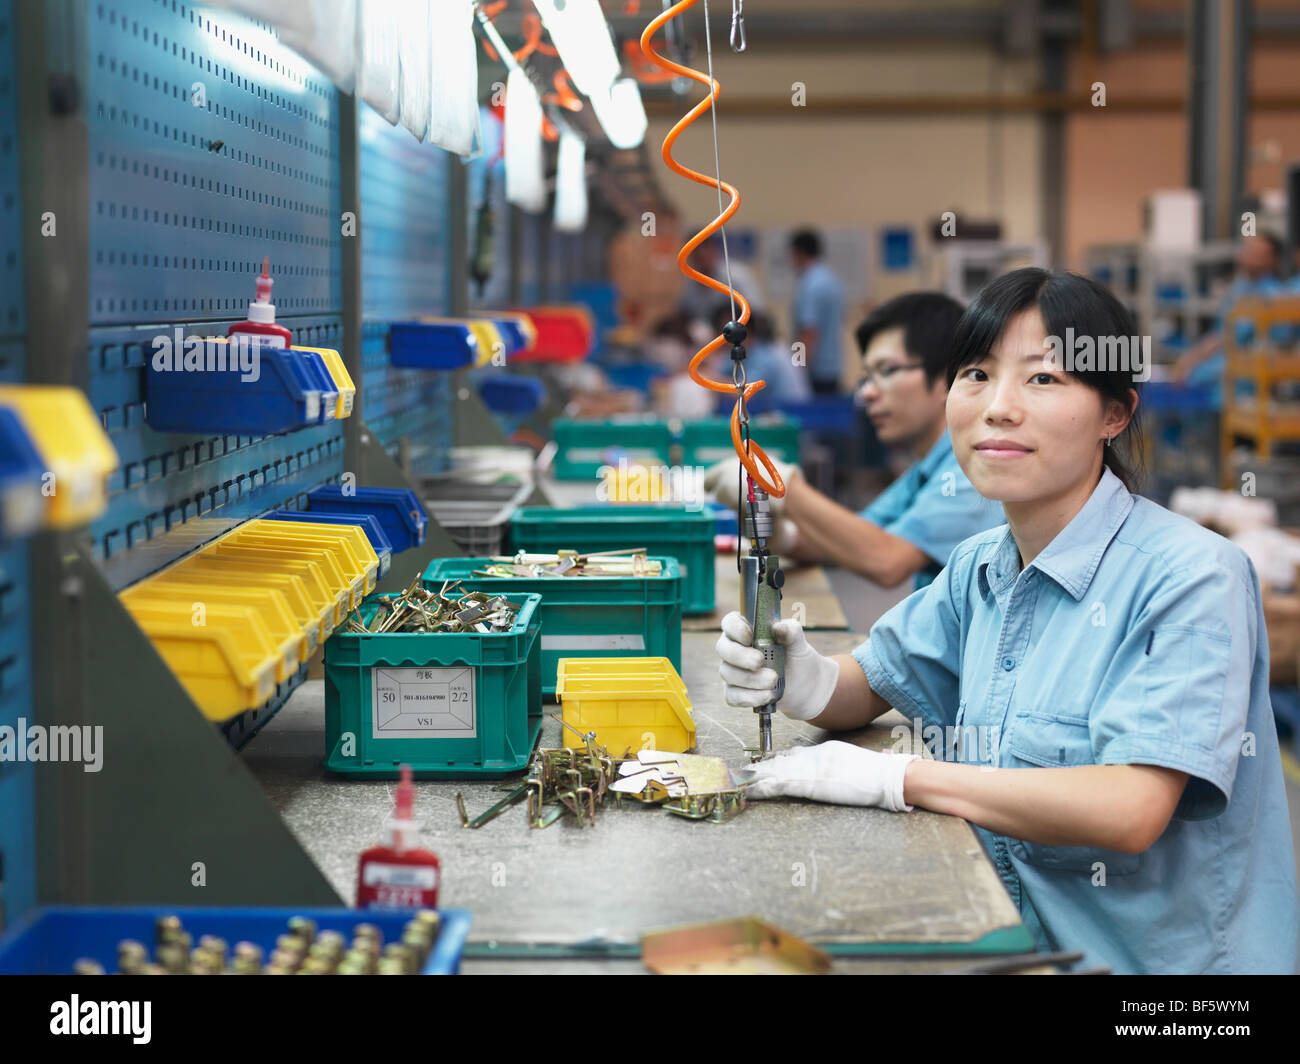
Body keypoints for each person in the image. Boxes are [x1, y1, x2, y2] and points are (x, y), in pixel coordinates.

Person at [717, 268, 1299, 975]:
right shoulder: (980, 567)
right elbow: (865, 684)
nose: (998, 407)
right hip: (1015, 943)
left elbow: (1131, 806)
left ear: (1115, 413)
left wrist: (897, 780)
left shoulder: (1190, 577)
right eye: (976, 374)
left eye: (1043, 379)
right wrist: (797, 677)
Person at [705, 292, 1002, 590]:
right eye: (866, 378)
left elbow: (887, 560)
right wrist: (783, 535)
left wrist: (785, 488)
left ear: (946, 379)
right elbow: (856, 537)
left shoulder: (973, 468)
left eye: (886, 371)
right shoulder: (927, 470)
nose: (866, 394)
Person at [1169, 233, 1283, 399]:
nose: (1248, 256)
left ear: (1272, 260)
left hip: (1248, 372)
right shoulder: (1238, 289)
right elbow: (1218, 332)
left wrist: (1190, 361)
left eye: (1257, 253)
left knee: (1198, 381)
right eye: (1247, 250)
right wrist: (1188, 359)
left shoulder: (1272, 295)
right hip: (1226, 363)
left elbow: (1226, 337)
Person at [789, 230, 845, 396]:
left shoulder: (810, 285)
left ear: (799, 253)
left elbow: (808, 331)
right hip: (833, 366)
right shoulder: (831, 279)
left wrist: (797, 368)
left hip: (815, 371)